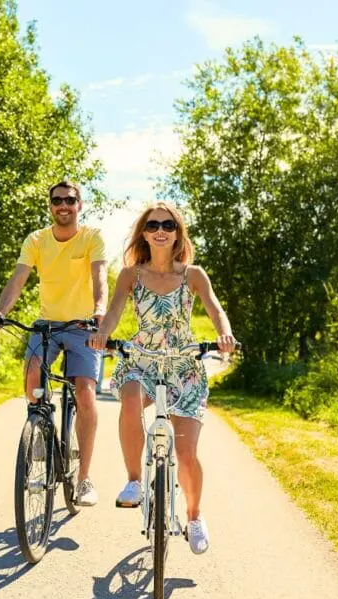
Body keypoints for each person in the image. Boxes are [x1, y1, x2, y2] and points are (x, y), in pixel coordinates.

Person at [89, 201, 236, 554]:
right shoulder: (130, 275)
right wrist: (101, 335)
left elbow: (216, 309)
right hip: (142, 357)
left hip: (184, 364)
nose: (160, 230)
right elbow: (112, 315)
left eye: (168, 225)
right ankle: (135, 483)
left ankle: (195, 516)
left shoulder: (193, 275)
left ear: (177, 233)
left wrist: (225, 334)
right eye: (153, 224)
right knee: (129, 397)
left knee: (185, 454)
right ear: (143, 232)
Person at [0, 180, 108, 506]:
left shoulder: (92, 237)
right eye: (57, 200)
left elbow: (100, 279)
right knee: (32, 373)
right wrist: (1, 310)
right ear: (50, 205)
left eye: (70, 200)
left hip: (83, 325)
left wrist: (98, 312)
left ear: (79, 205)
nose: (63, 205)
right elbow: (18, 278)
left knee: (84, 391)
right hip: (47, 324)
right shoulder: (36, 240)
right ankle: (39, 419)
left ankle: (84, 480)